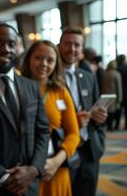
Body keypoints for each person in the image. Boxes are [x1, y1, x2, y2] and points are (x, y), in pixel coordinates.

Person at [0, 23, 50, 196]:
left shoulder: (31, 86)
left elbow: (42, 131)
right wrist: (4, 177)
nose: (6, 49)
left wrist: (34, 169)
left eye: (11, 44)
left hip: (30, 183)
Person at [21, 40, 80, 196]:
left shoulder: (61, 92)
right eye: (38, 58)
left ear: (56, 64)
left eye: (50, 60)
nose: (44, 64)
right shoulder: (16, 87)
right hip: (23, 169)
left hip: (54, 169)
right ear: (29, 59)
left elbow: (74, 134)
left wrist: (56, 162)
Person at [58, 26, 108, 196]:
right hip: (62, 150)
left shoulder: (88, 76)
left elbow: (96, 107)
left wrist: (100, 118)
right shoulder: (51, 76)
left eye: (77, 45)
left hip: (90, 150)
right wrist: (72, 123)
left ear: (81, 50)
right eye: (67, 44)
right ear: (59, 45)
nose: (72, 49)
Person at [101, 60, 122, 131]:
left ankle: (108, 126)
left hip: (104, 95)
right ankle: (112, 127)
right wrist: (119, 99)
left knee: (106, 111)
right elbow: (119, 87)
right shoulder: (116, 74)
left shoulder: (104, 73)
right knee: (112, 112)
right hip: (114, 96)